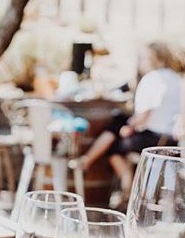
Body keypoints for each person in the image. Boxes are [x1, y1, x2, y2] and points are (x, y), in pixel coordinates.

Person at [75, 41, 182, 206]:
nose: (141, 62)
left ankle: (128, 186)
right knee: (117, 127)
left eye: (144, 58)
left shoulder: (153, 78)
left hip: (151, 140)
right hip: (171, 140)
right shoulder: (176, 79)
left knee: (113, 146)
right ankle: (97, 167)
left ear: (154, 58)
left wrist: (130, 126)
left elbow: (146, 113)